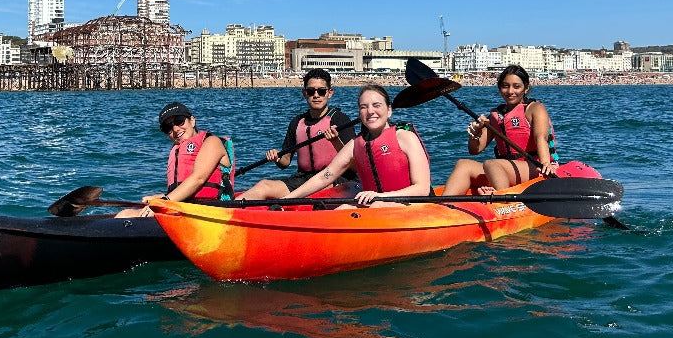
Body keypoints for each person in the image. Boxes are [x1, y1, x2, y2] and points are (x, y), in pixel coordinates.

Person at [283, 84, 431, 207]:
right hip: (376, 203)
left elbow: (422, 189)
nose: (370, 111)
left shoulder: (405, 137)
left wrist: (381, 197)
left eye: (376, 105)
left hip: (412, 206)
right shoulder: (355, 145)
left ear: (389, 110)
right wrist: (287, 200)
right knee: (344, 208)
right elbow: (325, 177)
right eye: (364, 107)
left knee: (376, 206)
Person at [235, 69, 358, 201]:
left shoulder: (340, 120)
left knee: (321, 185)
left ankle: (285, 205)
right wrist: (277, 158)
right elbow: (285, 162)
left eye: (321, 91)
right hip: (303, 179)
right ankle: (225, 209)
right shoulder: (297, 122)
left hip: (334, 179)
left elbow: (355, 164)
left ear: (330, 93)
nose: (316, 95)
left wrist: (336, 141)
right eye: (311, 91)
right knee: (263, 186)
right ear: (304, 93)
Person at [442, 64, 559, 196]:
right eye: (505, 86)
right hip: (506, 170)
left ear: (526, 88)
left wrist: (545, 164)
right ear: (499, 88)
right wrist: (475, 133)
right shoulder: (496, 116)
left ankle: (502, 198)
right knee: (463, 164)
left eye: (516, 86)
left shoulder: (535, 108)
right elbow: (475, 150)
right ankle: (442, 206)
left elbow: (541, 138)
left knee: (492, 164)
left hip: (534, 166)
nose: (510, 91)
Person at [116, 102, 234, 218]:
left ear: (192, 121)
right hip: (184, 210)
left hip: (210, 212)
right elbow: (185, 191)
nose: (176, 129)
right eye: (168, 127)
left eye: (179, 121)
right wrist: (161, 197)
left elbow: (198, 179)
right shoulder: (177, 149)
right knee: (125, 214)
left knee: (126, 216)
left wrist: (164, 202)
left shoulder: (211, 142)